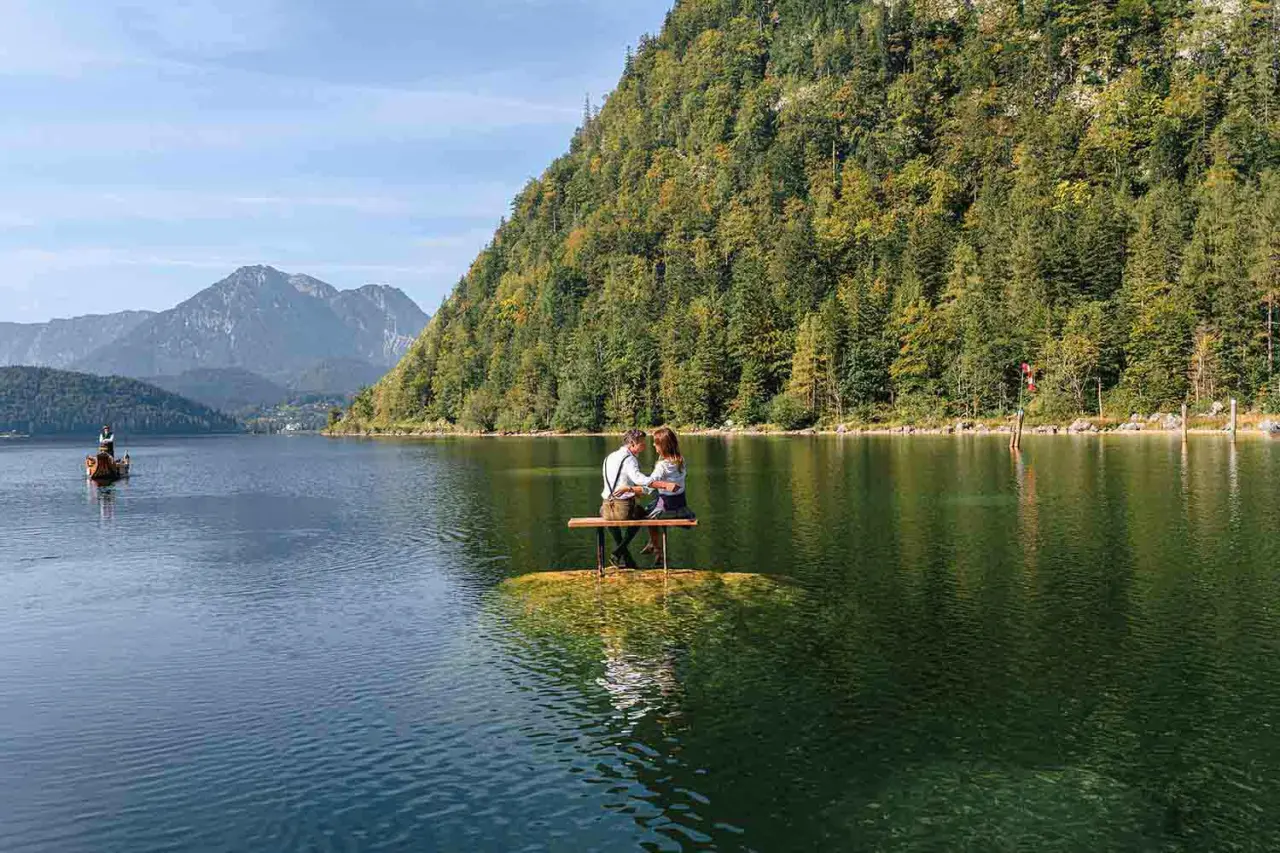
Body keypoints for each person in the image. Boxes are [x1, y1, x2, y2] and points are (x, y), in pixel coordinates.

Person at [600, 429, 676, 569]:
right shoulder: (629, 459)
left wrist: (633, 490)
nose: (645, 446)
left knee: (610, 520)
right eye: (642, 443)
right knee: (641, 512)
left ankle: (627, 559)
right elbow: (638, 479)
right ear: (632, 443)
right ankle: (619, 551)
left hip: (605, 508)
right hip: (622, 509)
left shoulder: (609, 457)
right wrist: (655, 482)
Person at [638, 427, 694, 565]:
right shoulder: (681, 461)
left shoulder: (662, 466)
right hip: (681, 507)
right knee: (652, 506)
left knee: (647, 516)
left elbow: (650, 482)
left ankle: (656, 548)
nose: (653, 445)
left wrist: (635, 489)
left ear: (662, 446)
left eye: (655, 443)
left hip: (667, 509)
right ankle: (654, 545)